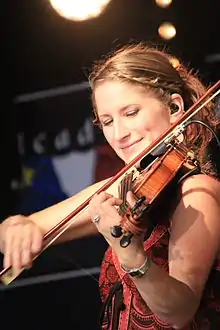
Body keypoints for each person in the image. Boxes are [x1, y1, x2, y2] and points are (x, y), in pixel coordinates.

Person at [0, 42, 220, 330]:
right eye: (107, 121)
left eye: (131, 113)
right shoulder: (125, 187)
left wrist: (126, 249)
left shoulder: (196, 193)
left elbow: (178, 312)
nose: (118, 134)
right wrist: (18, 225)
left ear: (175, 107)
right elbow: (30, 226)